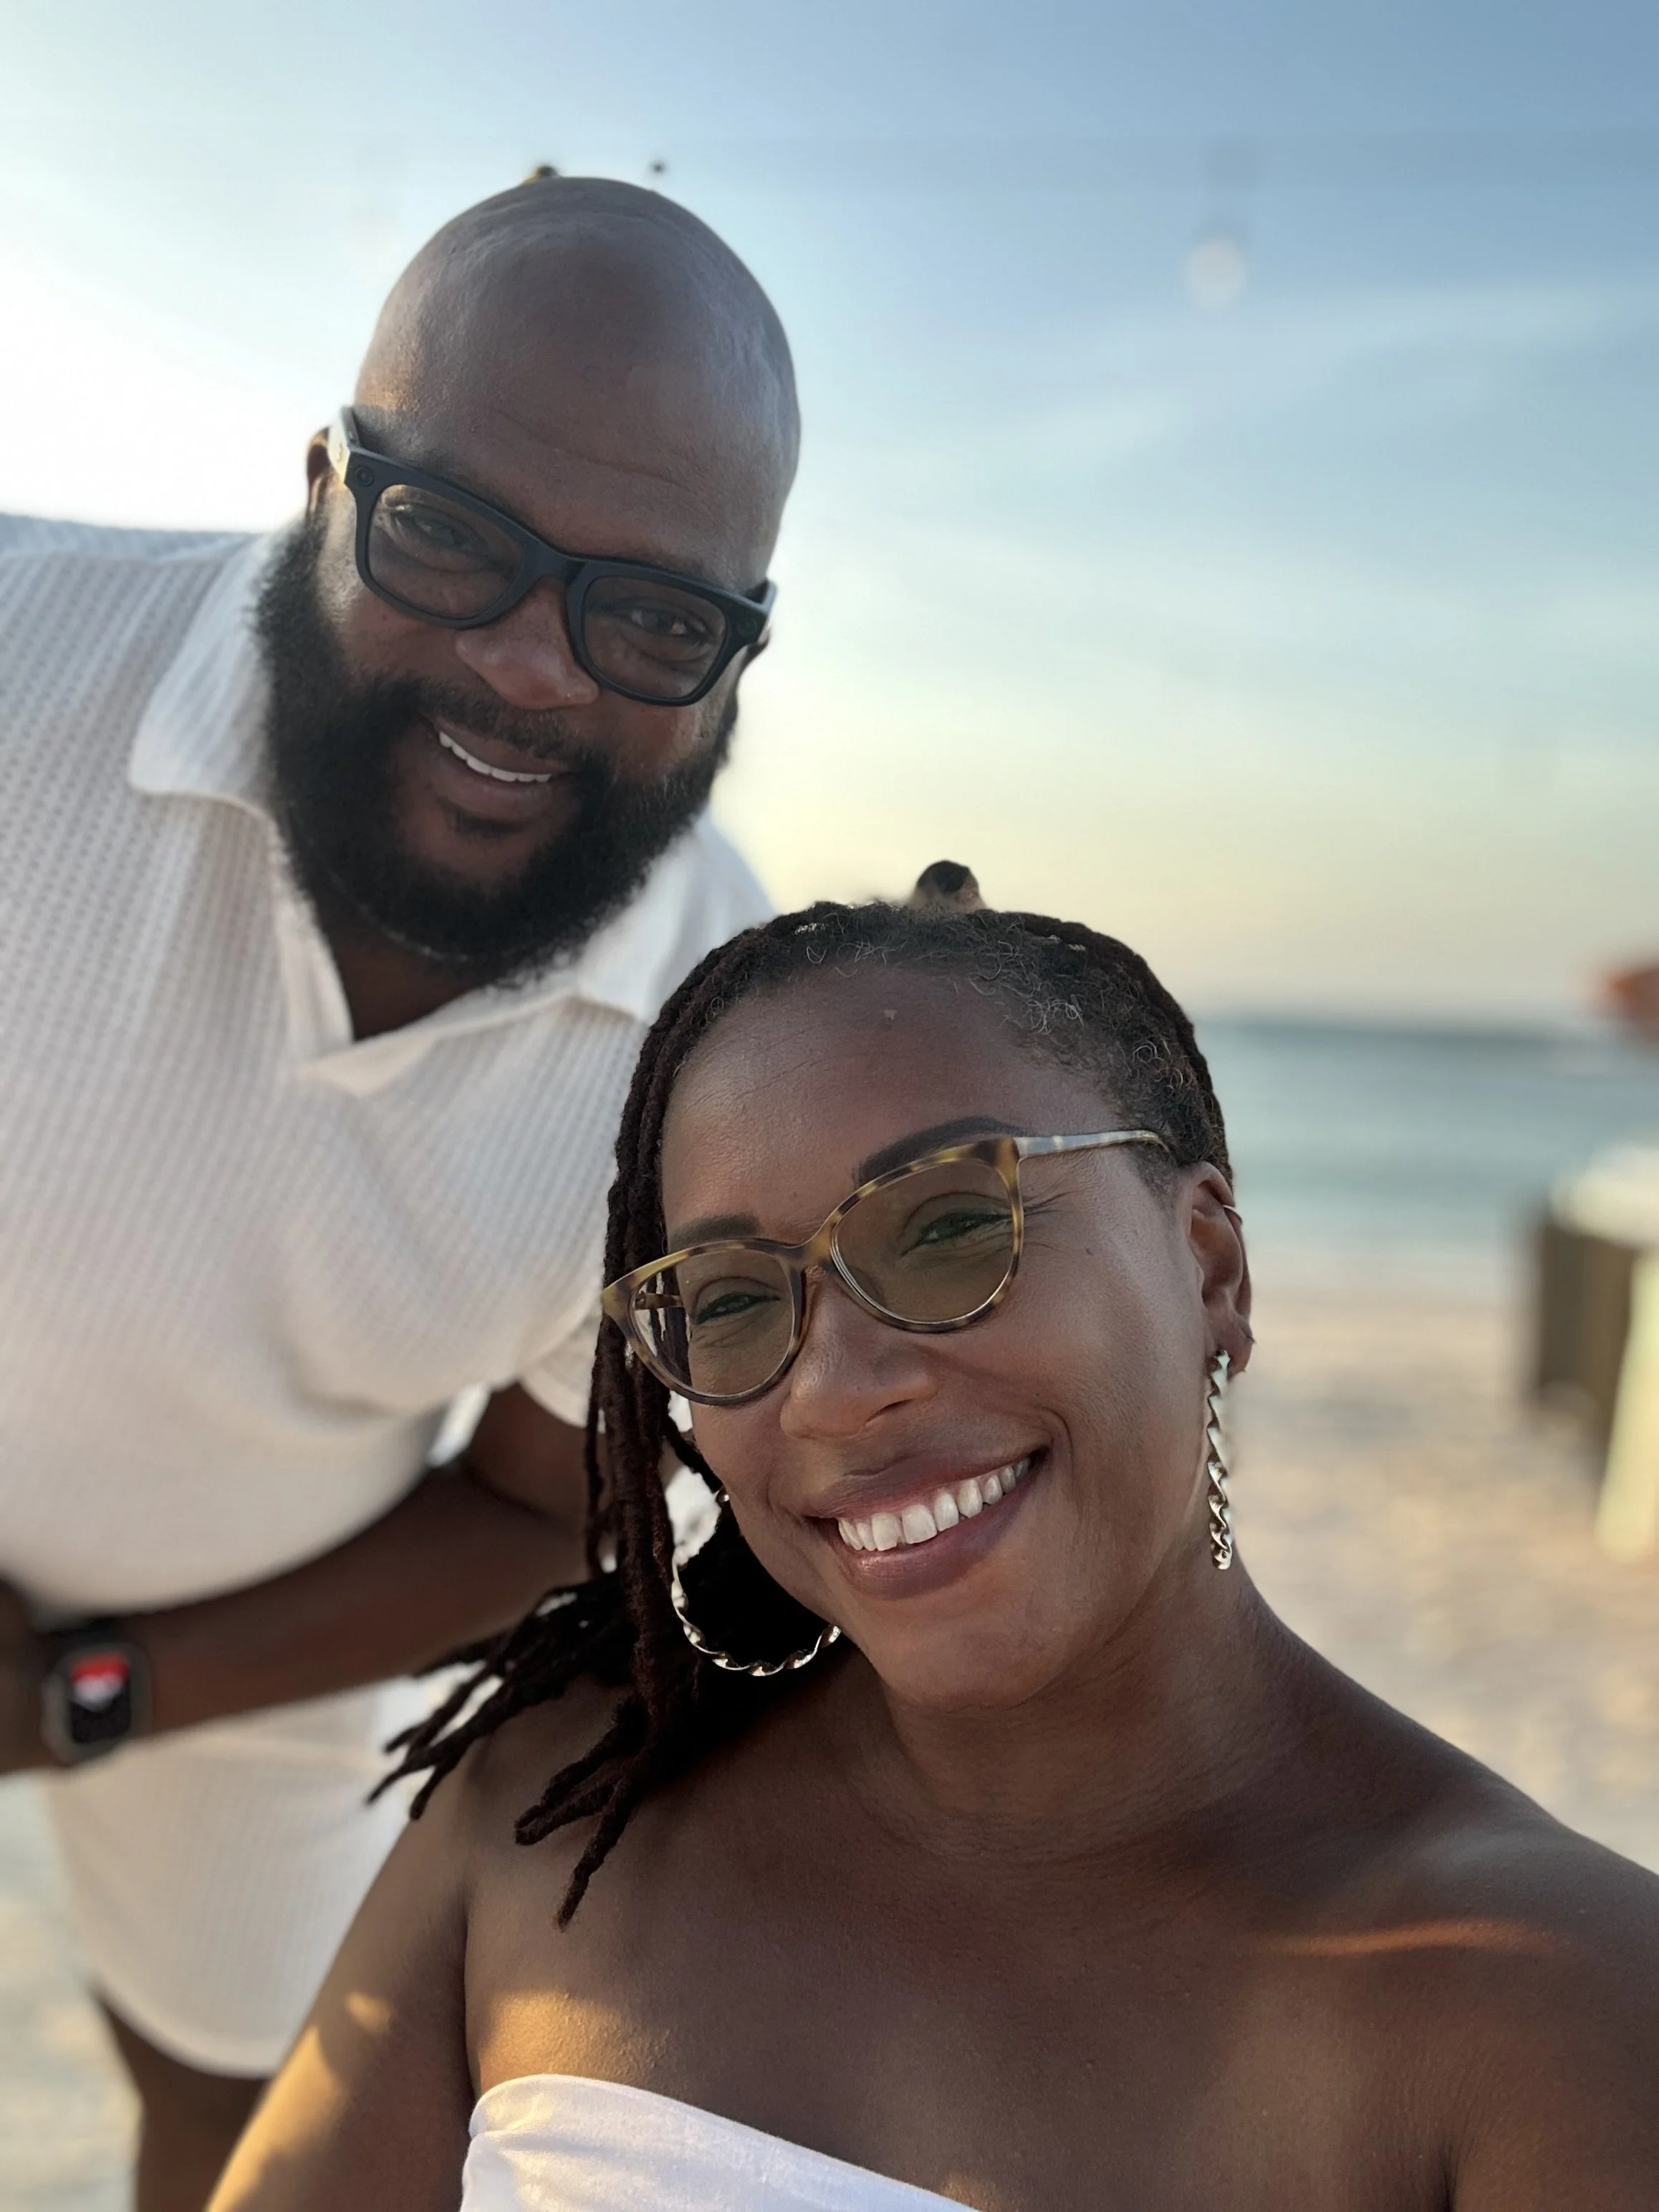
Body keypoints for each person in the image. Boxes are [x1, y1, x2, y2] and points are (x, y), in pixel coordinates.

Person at [213, 899, 1659, 2210]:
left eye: (954, 1224)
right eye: (727, 1299)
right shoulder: (554, 1818)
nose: (835, 1385)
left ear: (1211, 1262)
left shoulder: (1552, 2003)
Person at [0, 171, 796, 2209]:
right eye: (449, 536)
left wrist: (96, 1694)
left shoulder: (721, 1067)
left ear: (737, 653)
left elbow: (543, 1511)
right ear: (324, 482)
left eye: (649, 615)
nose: (531, 668)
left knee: (248, 2129)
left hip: (260, 1636)